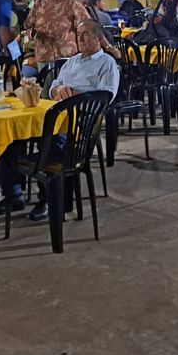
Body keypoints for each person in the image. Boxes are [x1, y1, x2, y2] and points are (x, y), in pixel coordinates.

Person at [16, 20, 120, 221]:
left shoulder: (106, 64)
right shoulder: (72, 61)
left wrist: (73, 94)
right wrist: (58, 90)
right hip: (58, 116)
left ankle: (49, 200)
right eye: (78, 34)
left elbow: (106, 96)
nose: (80, 38)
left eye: (85, 34)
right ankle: (14, 193)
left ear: (99, 38)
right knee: (17, 138)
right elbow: (54, 85)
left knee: (52, 143)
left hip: (81, 123)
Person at [25, 0, 88, 72]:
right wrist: (31, 33)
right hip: (44, 55)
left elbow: (87, 27)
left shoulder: (72, 4)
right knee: (46, 82)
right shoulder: (38, 4)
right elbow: (29, 25)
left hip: (67, 57)